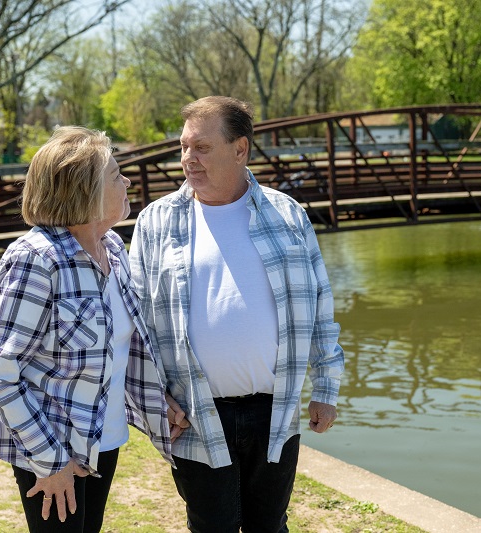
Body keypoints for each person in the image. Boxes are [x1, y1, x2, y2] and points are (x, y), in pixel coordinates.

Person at [129, 96, 344, 533]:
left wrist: (326, 386)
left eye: (202, 148)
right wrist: (152, 399)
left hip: (276, 410)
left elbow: (320, 303)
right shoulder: (156, 222)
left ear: (240, 149)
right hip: (195, 415)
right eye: (185, 147)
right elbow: (136, 325)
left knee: (270, 526)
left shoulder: (288, 215)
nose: (188, 159)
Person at [0, 126, 186, 532]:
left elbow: (120, 350)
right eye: (114, 174)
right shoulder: (35, 259)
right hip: (51, 449)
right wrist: (50, 462)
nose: (126, 181)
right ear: (82, 190)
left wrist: (160, 402)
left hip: (104, 440)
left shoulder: (115, 250)